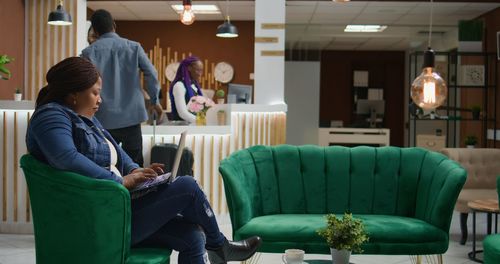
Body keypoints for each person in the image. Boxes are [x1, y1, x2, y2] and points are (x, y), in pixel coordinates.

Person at [26, 57, 261, 264]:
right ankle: (220, 246)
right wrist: (120, 181)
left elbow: (119, 154)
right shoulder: (50, 115)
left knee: (191, 235)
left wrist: (138, 172)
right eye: (95, 92)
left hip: (115, 210)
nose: (100, 99)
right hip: (96, 221)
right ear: (73, 94)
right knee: (187, 187)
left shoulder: (86, 118)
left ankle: (217, 246)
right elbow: (66, 158)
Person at [82, 9, 163, 167]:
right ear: (114, 25)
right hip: (131, 118)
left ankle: (114, 192)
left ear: (95, 30)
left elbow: (83, 84)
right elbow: (152, 73)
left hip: (102, 119)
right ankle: (134, 193)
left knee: (106, 164)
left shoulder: (88, 53)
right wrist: (154, 101)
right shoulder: (134, 47)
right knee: (134, 167)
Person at [169, 56, 204, 123]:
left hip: (191, 127)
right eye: (198, 70)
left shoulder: (194, 86)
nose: (200, 74)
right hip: (180, 129)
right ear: (189, 68)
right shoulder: (179, 86)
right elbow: (182, 113)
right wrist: (201, 122)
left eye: (201, 70)